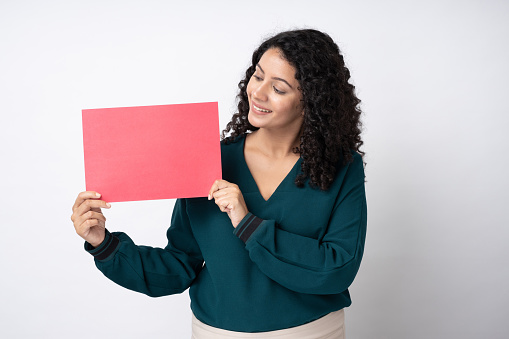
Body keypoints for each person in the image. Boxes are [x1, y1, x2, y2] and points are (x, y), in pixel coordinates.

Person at [71, 29, 367, 338]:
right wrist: (103, 243)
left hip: (312, 333)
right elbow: (177, 267)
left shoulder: (341, 168)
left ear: (311, 101)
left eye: (278, 88)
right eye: (257, 76)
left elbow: (336, 270)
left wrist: (247, 223)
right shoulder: (209, 161)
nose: (258, 93)